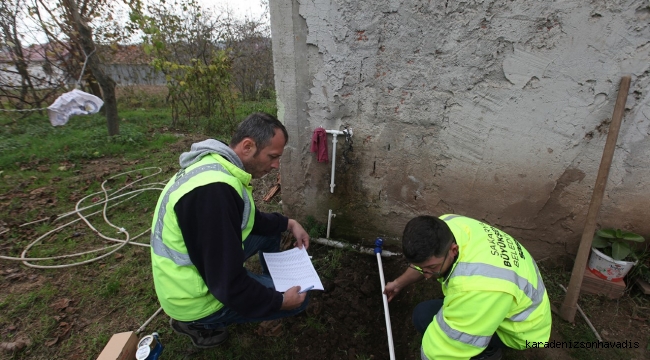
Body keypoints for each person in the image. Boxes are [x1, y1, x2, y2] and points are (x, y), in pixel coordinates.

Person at [150, 112, 311, 348]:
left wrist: (289, 223)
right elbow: (228, 285)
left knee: (270, 232)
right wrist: (278, 301)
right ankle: (199, 324)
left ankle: (276, 279)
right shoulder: (213, 194)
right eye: (273, 156)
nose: (276, 165)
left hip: (201, 270)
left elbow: (249, 219)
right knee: (302, 302)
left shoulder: (218, 166)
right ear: (248, 146)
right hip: (196, 297)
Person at [384, 214, 552, 360]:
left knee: (424, 318)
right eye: (423, 268)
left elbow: (442, 351)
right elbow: (425, 264)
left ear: (453, 250)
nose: (427, 275)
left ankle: (487, 353)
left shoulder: (478, 289)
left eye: (432, 269)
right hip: (516, 299)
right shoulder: (447, 227)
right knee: (425, 314)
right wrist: (399, 283)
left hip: (523, 331)